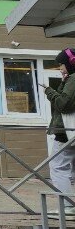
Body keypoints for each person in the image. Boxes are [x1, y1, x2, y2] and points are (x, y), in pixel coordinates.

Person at [42, 48, 75, 215]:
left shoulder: (74, 79)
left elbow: (63, 104)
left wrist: (49, 91)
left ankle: (68, 206)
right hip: (69, 132)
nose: (60, 68)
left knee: (58, 167)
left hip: (66, 132)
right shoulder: (70, 79)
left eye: (62, 64)